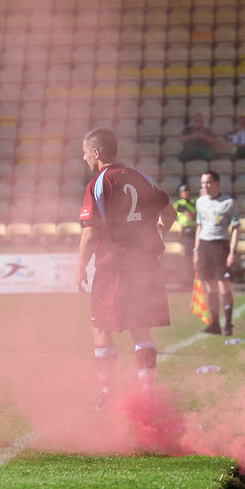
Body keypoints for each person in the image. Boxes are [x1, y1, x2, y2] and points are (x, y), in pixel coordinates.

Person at [75, 128, 174, 403]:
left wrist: (81, 267)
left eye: (85, 153)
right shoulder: (141, 177)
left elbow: (90, 233)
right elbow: (170, 213)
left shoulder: (98, 183)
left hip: (113, 266)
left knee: (100, 327)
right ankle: (147, 395)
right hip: (146, 266)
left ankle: (107, 394)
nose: (84, 159)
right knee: (141, 330)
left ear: (96, 152)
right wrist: (158, 235)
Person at [193, 170, 239, 336]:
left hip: (221, 245)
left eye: (208, 183)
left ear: (217, 183)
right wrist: (196, 250)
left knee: (223, 284)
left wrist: (232, 251)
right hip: (204, 246)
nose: (205, 186)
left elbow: (235, 229)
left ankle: (228, 325)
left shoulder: (228, 202)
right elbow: (199, 227)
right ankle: (214, 325)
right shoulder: (200, 202)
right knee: (209, 284)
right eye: (203, 183)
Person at [172, 183, 197, 287]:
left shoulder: (194, 202)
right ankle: (186, 281)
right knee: (187, 258)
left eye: (188, 190)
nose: (187, 193)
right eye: (184, 191)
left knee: (196, 258)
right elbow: (190, 216)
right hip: (186, 232)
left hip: (196, 232)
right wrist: (194, 214)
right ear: (180, 193)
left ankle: (195, 281)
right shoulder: (178, 204)